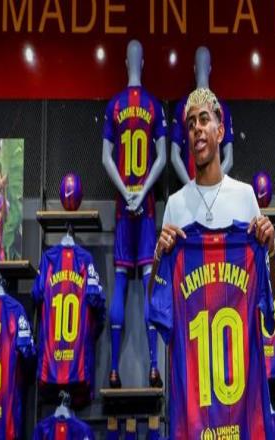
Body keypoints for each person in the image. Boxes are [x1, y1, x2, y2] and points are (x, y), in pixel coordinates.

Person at [154, 87, 275, 293]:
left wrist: (271, 247)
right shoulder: (175, 205)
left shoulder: (245, 196)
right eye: (191, 124)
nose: (197, 128)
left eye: (204, 120)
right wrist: (159, 255)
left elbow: (270, 291)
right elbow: (157, 296)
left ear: (220, 133)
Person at [102, 39, 167, 388]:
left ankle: (114, 370)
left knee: (121, 283)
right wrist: (142, 193)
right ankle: (154, 367)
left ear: (126, 61)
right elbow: (162, 157)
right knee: (148, 283)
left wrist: (126, 192)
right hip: (147, 207)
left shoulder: (114, 105)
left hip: (122, 206)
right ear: (141, 62)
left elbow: (105, 158)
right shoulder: (154, 105)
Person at [170, 47, 234, 184]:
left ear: (194, 69)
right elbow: (229, 159)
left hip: (196, 186)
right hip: (199, 187)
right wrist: (208, 184)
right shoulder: (221, 107)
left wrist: (195, 187)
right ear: (210, 69)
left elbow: (175, 156)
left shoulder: (183, 106)